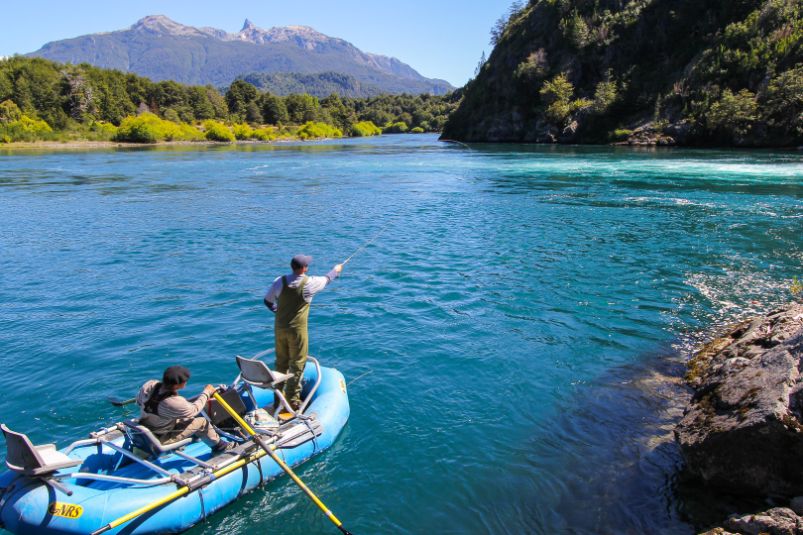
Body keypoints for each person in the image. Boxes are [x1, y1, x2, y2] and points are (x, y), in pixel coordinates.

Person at [264, 254, 342, 412]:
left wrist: (278, 311)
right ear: (304, 268)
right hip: (297, 332)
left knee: (281, 363)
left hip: (279, 329)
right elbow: (328, 279)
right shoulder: (310, 284)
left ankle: (278, 400)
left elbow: (267, 301)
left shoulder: (279, 281)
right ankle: (292, 402)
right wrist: (336, 270)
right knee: (297, 364)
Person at [136, 365, 233, 453]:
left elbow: (139, 402)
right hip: (161, 438)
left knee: (180, 418)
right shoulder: (174, 402)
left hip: (145, 428)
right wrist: (207, 392)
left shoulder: (149, 385)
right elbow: (195, 409)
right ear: (178, 385)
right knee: (202, 422)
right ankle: (220, 447)